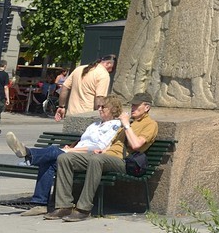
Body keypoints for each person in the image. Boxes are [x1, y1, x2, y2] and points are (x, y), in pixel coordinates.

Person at [44, 94, 158, 222]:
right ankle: (64, 205)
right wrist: (102, 150)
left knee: (96, 160)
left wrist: (126, 125)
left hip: (124, 161)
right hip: (106, 156)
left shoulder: (150, 124)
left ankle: (83, 208)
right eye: (132, 105)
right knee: (65, 159)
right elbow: (113, 144)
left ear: (147, 107)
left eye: (137, 106)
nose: (133, 108)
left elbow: (136, 145)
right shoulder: (131, 123)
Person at [5, 100, 123, 210]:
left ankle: (29, 154)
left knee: (53, 151)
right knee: (49, 161)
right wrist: (71, 147)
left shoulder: (115, 125)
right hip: (74, 153)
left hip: (89, 157)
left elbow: (98, 147)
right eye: (99, 106)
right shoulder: (95, 124)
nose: (100, 109)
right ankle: (39, 202)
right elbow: (82, 140)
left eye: (104, 107)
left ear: (113, 110)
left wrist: (72, 151)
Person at [54, 55, 115, 121]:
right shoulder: (103, 74)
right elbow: (99, 98)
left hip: (71, 115)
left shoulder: (79, 69)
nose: (110, 71)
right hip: (87, 116)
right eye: (112, 69)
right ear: (108, 64)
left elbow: (64, 88)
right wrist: (101, 116)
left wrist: (61, 106)